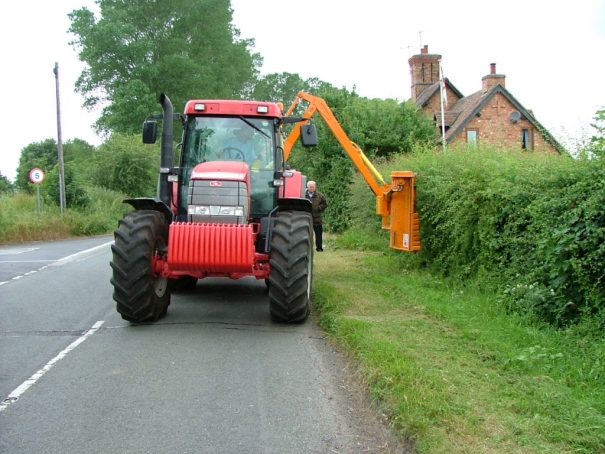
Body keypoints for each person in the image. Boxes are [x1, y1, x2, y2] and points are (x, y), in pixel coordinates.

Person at [305, 181, 327, 252]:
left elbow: (325, 204)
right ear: (307, 187)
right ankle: (307, 249)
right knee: (306, 234)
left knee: (318, 234)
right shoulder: (303, 195)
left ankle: (319, 248)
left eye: (313, 187)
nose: (311, 188)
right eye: (310, 187)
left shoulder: (320, 195)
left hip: (317, 218)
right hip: (306, 218)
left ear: (315, 187)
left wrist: (319, 208)